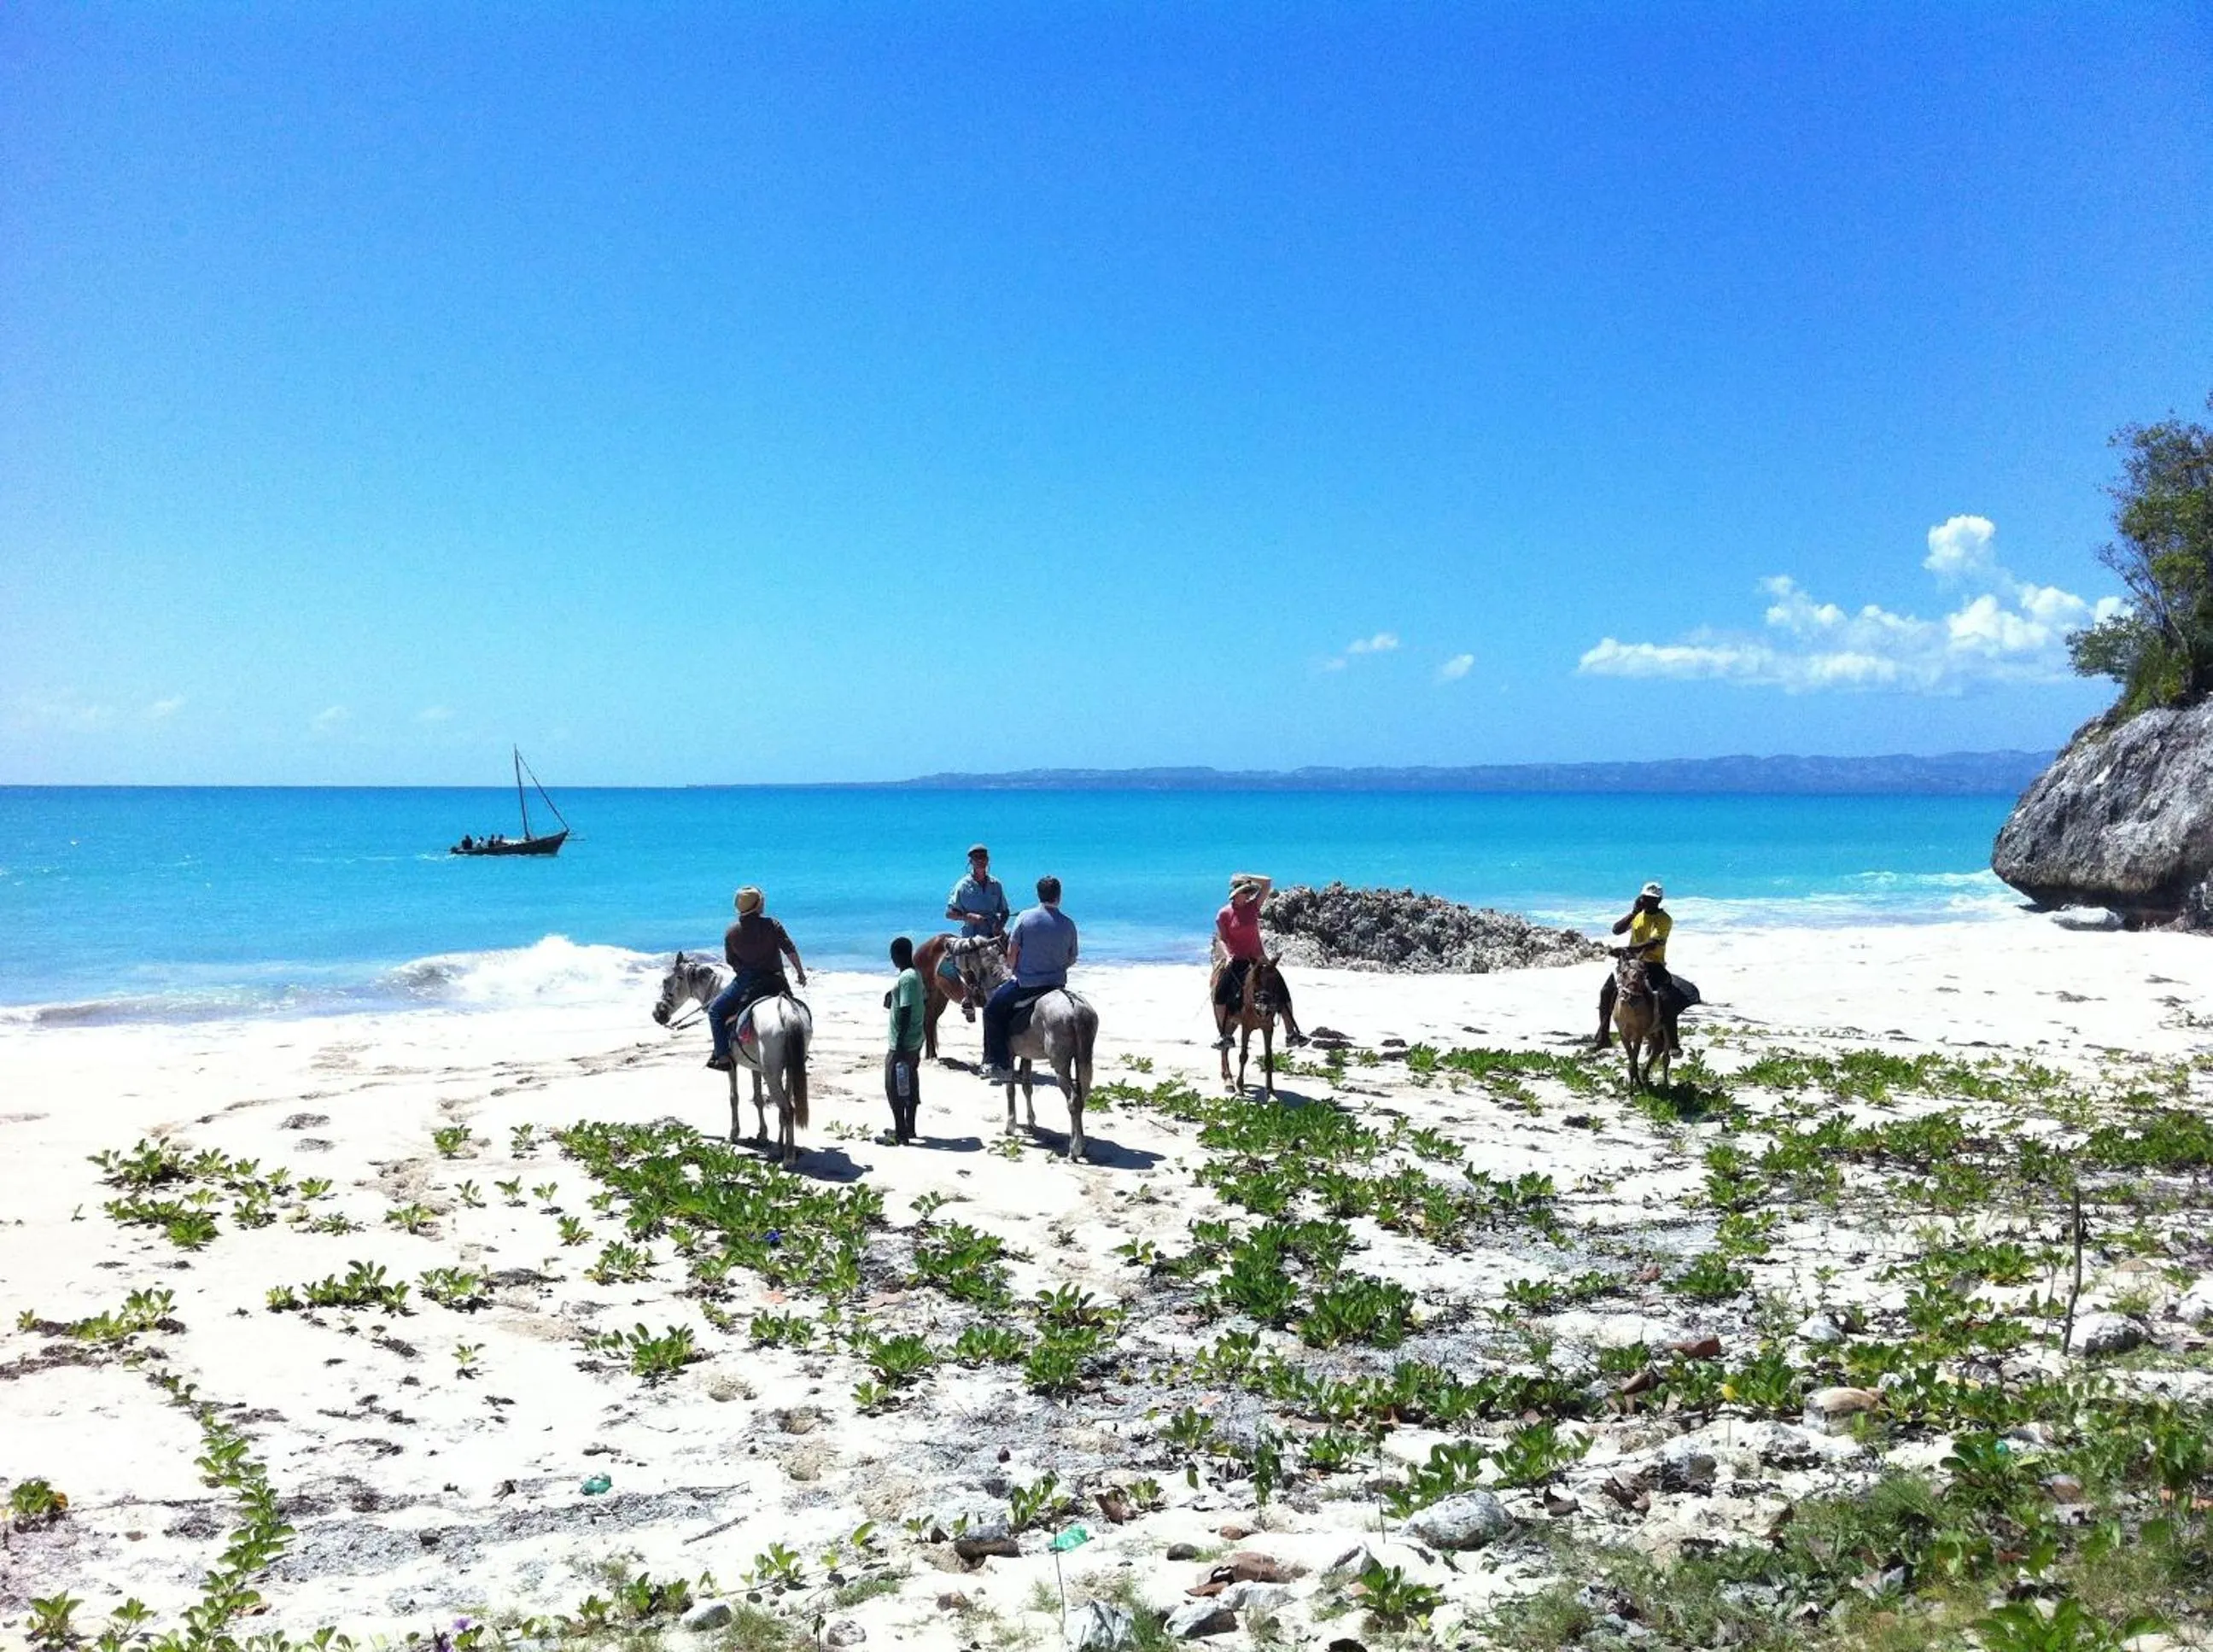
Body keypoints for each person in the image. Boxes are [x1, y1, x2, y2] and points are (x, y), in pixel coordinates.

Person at [981, 875, 1077, 1085]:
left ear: (1038, 894)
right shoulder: (1068, 924)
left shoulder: (1025, 918)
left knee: (991, 1011)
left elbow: (1012, 952)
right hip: (1057, 984)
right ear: (1059, 896)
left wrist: (1013, 967)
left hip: (1027, 985)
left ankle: (999, 1064)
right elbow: (1072, 958)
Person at [707, 886, 808, 1071]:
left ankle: (722, 1056)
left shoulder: (731, 932)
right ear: (758, 905)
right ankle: (802, 1051)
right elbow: (790, 950)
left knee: (715, 1011)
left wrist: (746, 971)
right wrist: (800, 973)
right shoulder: (772, 925)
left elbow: (732, 961)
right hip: (777, 980)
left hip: (748, 981)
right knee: (795, 1012)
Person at [1212, 873, 1306, 1049]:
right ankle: (1224, 1035)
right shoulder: (1224, 914)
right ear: (1236, 894)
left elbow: (1268, 883)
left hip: (1259, 959)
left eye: (1249, 891)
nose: (1248, 894)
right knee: (1220, 994)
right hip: (1237, 960)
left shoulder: (1253, 907)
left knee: (1282, 989)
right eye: (1245, 891)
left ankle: (1292, 1033)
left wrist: (1247, 876)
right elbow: (1222, 939)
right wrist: (1228, 955)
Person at [1594, 881, 1679, 1054]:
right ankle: (1603, 1036)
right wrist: (1633, 912)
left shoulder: (1664, 919)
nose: (1648, 901)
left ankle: (1672, 1043)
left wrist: (1627, 950)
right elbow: (1617, 930)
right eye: (1646, 898)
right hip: (1630, 964)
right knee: (1607, 991)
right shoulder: (1638, 916)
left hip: (1652, 964)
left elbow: (1653, 943)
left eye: (1652, 899)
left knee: (1665, 998)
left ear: (1659, 901)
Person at [943, 844, 1012, 1018]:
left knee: (1016, 951)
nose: (981, 861)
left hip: (993, 933)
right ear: (971, 862)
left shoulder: (996, 885)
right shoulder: (962, 886)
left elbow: (1005, 911)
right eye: (977, 858)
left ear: (988, 860)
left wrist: (1000, 924)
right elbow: (949, 913)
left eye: (983, 858)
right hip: (972, 934)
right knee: (966, 960)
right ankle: (968, 998)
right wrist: (968, 916)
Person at [884, 936, 925, 1143]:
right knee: (909, 1081)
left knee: (894, 1085)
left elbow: (906, 1010)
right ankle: (909, 1128)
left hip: (904, 1041)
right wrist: (892, 996)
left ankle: (900, 1133)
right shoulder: (915, 974)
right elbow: (921, 999)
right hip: (915, 1038)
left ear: (898, 955)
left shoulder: (907, 978)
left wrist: (899, 1043)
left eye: (893, 955)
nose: (892, 959)